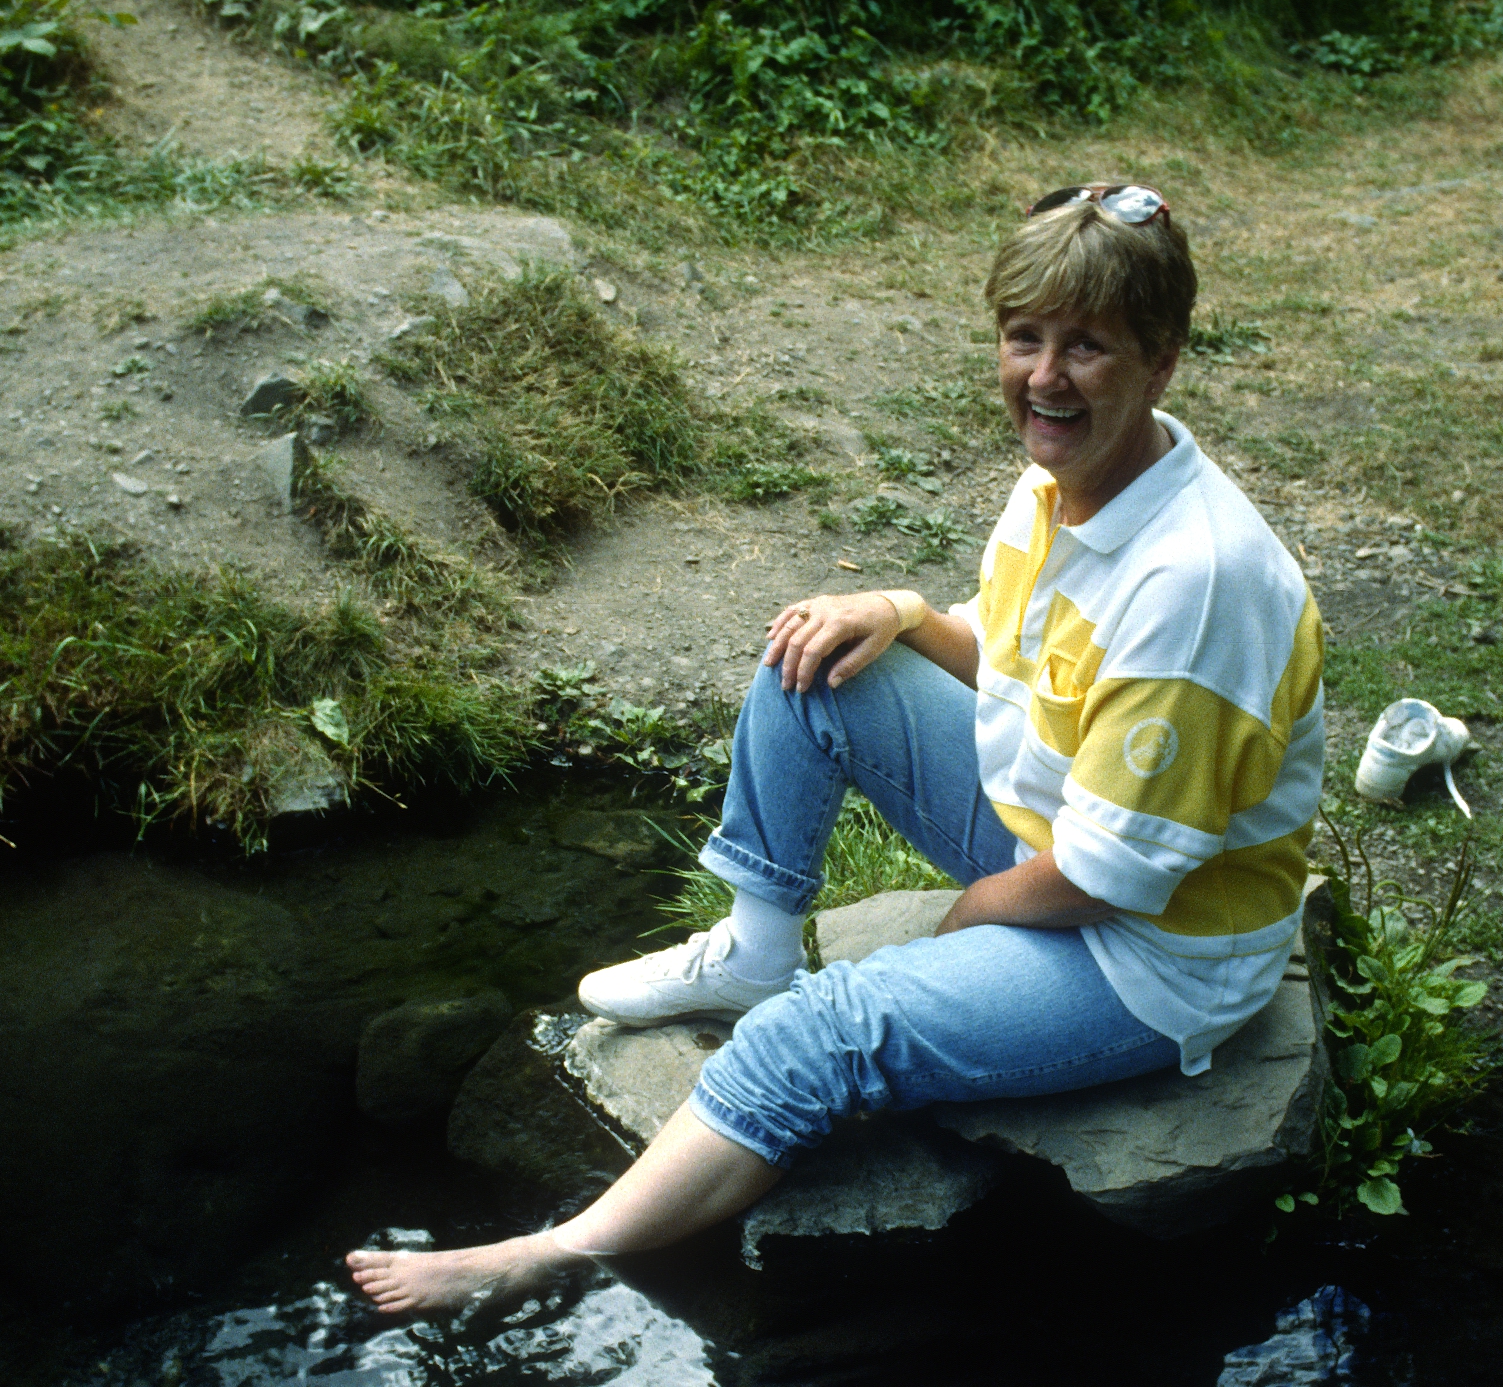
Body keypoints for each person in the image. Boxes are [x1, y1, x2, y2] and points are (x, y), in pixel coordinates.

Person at [348, 183, 1324, 1317]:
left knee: (824, 1031)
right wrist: (902, 610)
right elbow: (1023, 668)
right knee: (810, 654)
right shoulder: (1066, 482)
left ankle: (552, 1251)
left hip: (1155, 955)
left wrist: (968, 916)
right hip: (1056, 831)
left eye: (1088, 347)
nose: (1044, 377)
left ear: (1160, 362)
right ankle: (760, 943)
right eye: (1025, 338)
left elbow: (1113, 877)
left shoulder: (1194, 584)